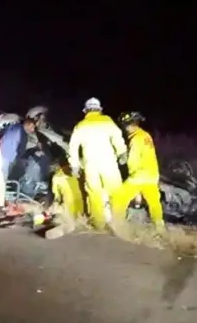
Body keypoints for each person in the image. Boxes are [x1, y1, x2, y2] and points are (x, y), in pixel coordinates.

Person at [68, 98, 129, 230]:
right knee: (116, 192)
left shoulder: (81, 125)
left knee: (94, 193)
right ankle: (118, 222)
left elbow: (73, 147)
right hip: (108, 163)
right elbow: (117, 138)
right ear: (99, 109)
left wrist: (74, 165)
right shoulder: (107, 121)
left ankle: (99, 224)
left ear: (86, 110)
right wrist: (122, 153)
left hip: (91, 165)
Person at [117, 111, 165, 232]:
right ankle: (159, 228)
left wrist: (123, 160)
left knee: (119, 198)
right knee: (154, 203)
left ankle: (117, 225)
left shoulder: (135, 139)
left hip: (139, 176)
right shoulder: (146, 136)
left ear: (129, 125)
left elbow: (132, 161)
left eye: (125, 125)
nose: (125, 128)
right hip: (153, 175)